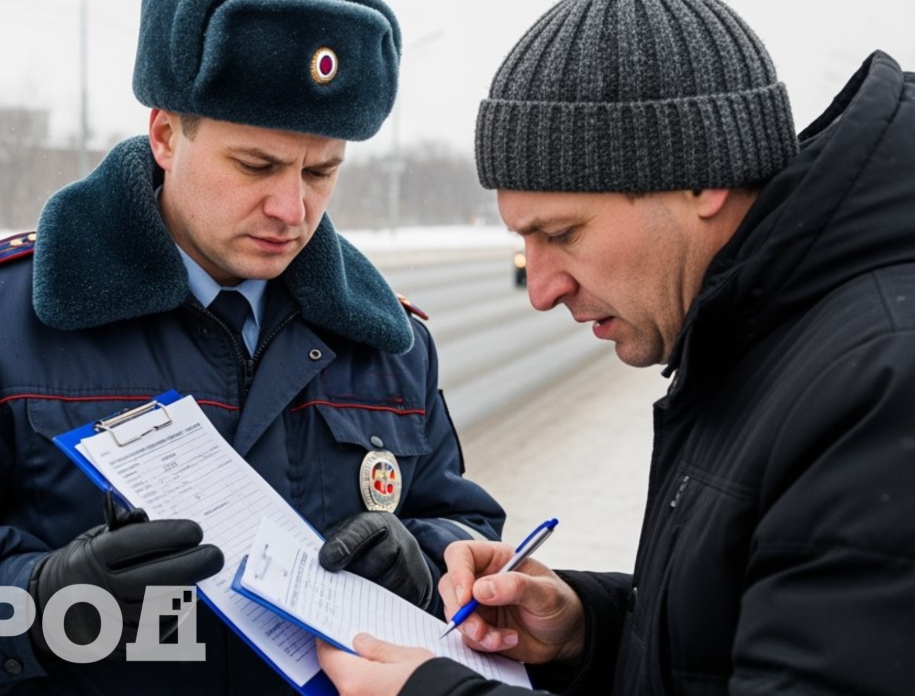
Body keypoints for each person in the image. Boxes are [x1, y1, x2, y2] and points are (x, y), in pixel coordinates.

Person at [0, 1, 506, 694]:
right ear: (166, 135)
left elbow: (470, 534)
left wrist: (427, 558)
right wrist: (36, 602)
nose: (293, 211)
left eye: (321, 171)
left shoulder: (388, 340)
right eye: (256, 166)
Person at [316, 0, 915, 694]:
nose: (540, 290)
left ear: (702, 177)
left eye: (563, 233)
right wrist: (588, 632)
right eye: (522, 240)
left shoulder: (880, 384)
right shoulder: (757, 341)